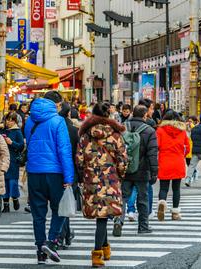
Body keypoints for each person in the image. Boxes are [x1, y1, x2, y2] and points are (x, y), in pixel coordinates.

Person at [24, 91, 74, 264]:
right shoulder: (58, 121)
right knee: (59, 209)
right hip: (55, 173)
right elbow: (64, 150)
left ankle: (40, 252)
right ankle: (51, 242)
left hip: (34, 172)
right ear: (56, 104)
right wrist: (69, 177)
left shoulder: (30, 121)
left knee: (38, 214)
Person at [76, 102, 127, 268]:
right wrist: (120, 174)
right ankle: (97, 253)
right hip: (110, 180)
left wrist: (83, 175)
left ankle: (105, 247)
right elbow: (122, 160)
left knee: (101, 215)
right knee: (103, 217)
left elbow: (79, 159)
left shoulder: (85, 136)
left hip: (91, 179)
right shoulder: (115, 135)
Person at [113, 105, 158, 236]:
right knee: (142, 198)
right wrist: (154, 171)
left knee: (123, 197)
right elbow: (152, 153)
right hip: (142, 170)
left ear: (133, 113)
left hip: (124, 169)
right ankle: (143, 226)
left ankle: (118, 221)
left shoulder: (121, 127)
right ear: (145, 115)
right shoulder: (149, 131)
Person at [156, 110, 190, 221]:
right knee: (176, 189)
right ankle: (175, 213)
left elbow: (157, 146)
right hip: (178, 162)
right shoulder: (182, 131)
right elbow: (187, 148)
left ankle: (162, 204)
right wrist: (181, 154)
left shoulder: (160, 130)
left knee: (163, 188)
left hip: (164, 161)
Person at [57, 102, 79, 248]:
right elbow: (78, 154)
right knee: (67, 202)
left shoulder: (54, 127)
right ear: (69, 114)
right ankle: (62, 235)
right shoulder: (74, 130)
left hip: (55, 169)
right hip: (71, 170)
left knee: (59, 205)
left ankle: (63, 234)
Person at [2, 113, 25, 213]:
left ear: (15, 121)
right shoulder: (3, 131)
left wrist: (12, 143)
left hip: (13, 160)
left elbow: (21, 146)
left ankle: (15, 198)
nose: (9, 122)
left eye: (11, 120)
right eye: (7, 120)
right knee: (4, 182)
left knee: (12, 182)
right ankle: (6, 205)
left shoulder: (17, 132)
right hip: (3, 159)